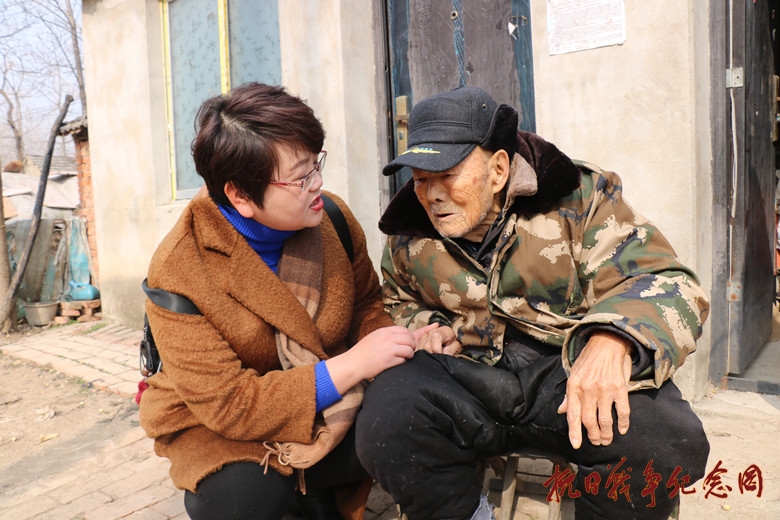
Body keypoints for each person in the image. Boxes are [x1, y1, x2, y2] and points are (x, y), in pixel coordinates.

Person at [355, 86, 711, 520]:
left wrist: (613, 338)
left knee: (665, 441)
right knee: (387, 420)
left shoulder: (579, 198)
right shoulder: (409, 232)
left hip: (567, 374)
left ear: (498, 170)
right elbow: (397, 300)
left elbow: (665, 281)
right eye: (420, 179)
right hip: (469, 376)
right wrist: (427, 326)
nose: (431, 195)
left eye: (446, 174)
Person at [138, 82, 429, 520]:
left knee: (414, 418)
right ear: (240, 195)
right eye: (300, 178)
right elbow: (230, 404)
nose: (318, 184)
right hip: (221, 425)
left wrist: (396, 343)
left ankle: (316, 489)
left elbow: (366, 303)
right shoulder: (180, 269)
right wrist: (354, 364)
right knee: (241, 500)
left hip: (328, 400)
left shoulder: (331, 218)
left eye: (316, 165)